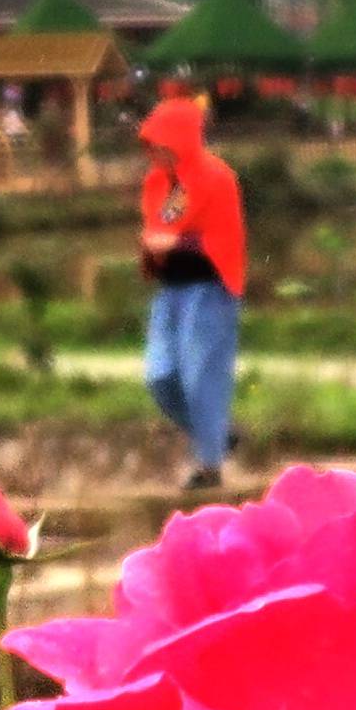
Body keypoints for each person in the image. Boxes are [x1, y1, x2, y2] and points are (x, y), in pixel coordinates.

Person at [137, 95, 247, 491]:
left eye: (162, 141)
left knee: (203, 376)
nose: (155, 150)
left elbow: (224, 237)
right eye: (151, 142)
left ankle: (209, 466)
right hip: (170, 291)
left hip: (209, 290)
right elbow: (160, 227)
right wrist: (155, 246)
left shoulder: (217, 178)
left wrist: (177, 245)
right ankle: (218, 434)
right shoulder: (161, 184)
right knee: (159, 377)